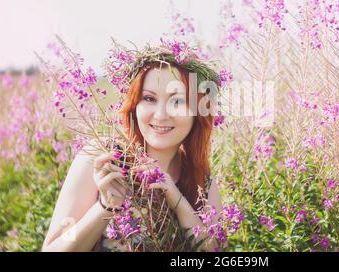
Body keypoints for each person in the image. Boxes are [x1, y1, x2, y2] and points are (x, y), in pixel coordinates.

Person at [42, 45, 224, 251]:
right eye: (149, 98)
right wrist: (105, 207)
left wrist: (178, 202)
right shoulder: (103, 157)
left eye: (178, 100)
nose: (161, 114)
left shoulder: (201, 178)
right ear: (134, 105)